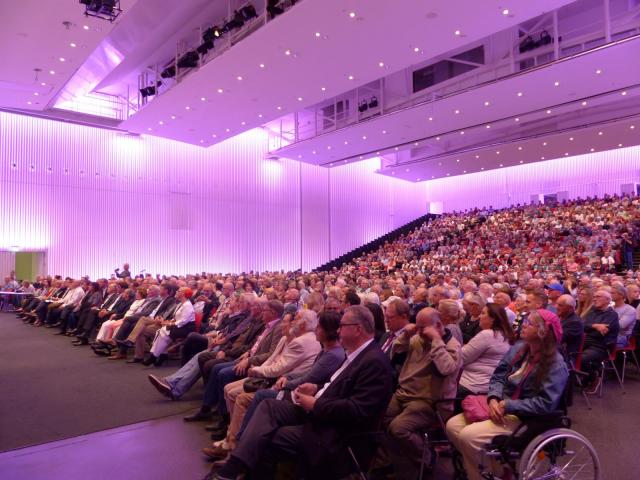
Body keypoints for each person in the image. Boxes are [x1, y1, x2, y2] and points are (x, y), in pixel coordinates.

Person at [209, 305, 394, 480]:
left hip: (337, 432)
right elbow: (337, 386)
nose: (338, 331)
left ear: (357, 329)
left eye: (342, 326)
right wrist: (316, 388)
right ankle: (234, 466)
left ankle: (234, 469)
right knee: (268, 406)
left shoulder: (374, 362)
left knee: (268, 436)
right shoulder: (356, 354)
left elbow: (357, 410)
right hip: (321, 412)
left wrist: (315, 404)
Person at [446, 309, 568, 480]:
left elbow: (545, 403)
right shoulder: (519, 348)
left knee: (468, 436)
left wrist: (508, 405)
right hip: (502, 404)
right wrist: (493, 398)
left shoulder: (556, 364)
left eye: (530, 323)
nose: (523, 325)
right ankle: (499, 472)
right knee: (452, 426)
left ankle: (487, 474)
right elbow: (498, 376)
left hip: (525, 417)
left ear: (544, 331)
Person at [381, 307, 461, 479]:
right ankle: (392, 462)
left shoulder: (452, 345)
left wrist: (436, 340)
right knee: (378, 418)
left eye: (423, 328)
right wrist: (406, 336)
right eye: (417, 327)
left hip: (428, 401)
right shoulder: (417, 338)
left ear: (438, 325)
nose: (419, 332)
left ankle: (428, 458)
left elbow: (446, 368)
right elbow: (395, 352)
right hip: (404, 393)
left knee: (398, 428)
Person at [456, 304, 514, 405]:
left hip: (471, 386)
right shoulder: (506, 335)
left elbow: (461, 358)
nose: (479, 316)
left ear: (492, 319)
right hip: (491, 388)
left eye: (483, 313)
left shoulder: (487, 335)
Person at [581, 289, 620, 394]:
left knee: (582, 359)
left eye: (598, 297)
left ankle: (594, 377)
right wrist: (595, 326)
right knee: (567, 353)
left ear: (607, 300)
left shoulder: (612, 315)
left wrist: (589, 328)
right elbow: (581, 326)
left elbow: (601, 333)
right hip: (585, 342)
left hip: (601, 346)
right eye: (594, 297)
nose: (594, 299)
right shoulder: (592, 311)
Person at [145, 287, 195, 366]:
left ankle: (155, 356)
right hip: (179, 326)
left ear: (183, 294)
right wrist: (169, 321)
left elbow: (184, 321)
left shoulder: (187, 305)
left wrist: (170, 324)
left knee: (163, 332)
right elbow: (176, 317)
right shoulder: (180, 304)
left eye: (178, 291)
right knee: (162, 332)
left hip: (186, 328)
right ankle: (160, 355)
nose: (176, 292)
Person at [555, 294, 583, 359]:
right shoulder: (559, 317)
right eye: (557, 304)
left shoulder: (575, 323)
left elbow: (558, 338)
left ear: (570, 309)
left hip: (566, 357)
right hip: (556, 352)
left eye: (560, 305)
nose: (556, 307)